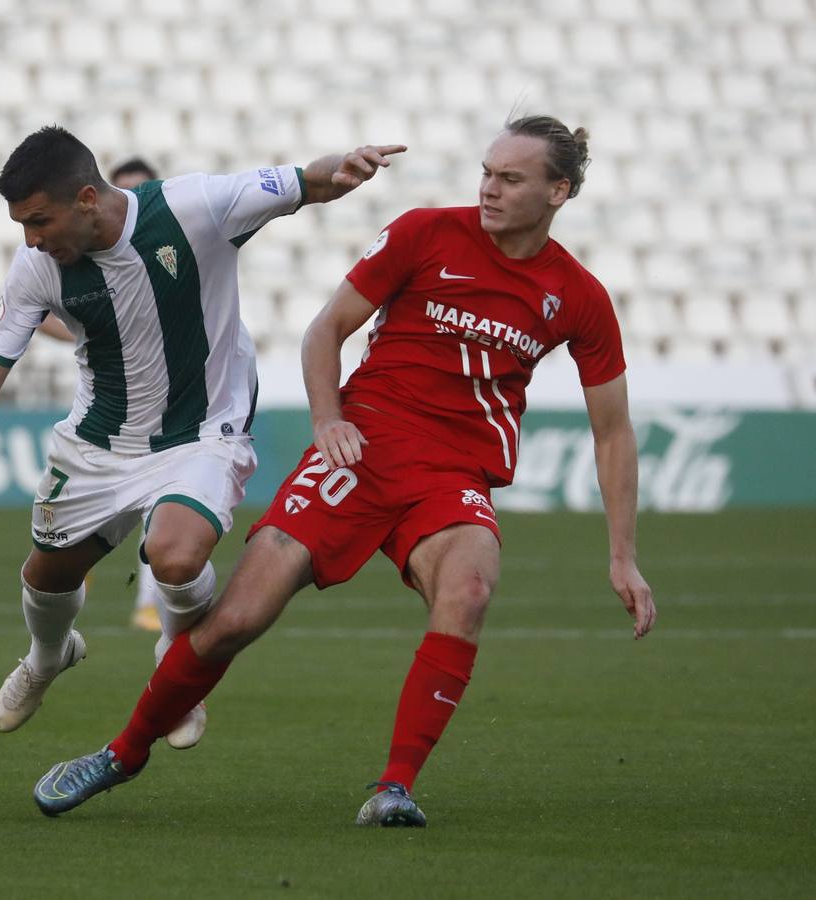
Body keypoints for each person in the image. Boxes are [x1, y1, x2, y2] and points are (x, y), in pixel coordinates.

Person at [33, 115, 658, 825]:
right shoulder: (424, 233)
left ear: (559, 190)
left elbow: (611, 432)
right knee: (236, 618)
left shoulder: (577, 295)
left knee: (470, 589)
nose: (488, 188)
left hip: (452, 475)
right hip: (360, 452)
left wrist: (622, 558)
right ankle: (121, 753)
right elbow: (325, 330)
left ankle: (393, 789)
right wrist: (328, 420)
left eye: (509, 179)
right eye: (486, 171)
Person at [0, 126, 404, 751]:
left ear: (87, 199)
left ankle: (180, 669)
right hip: (98, 441)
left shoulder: (195, 209)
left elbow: (304, 181)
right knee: (48, 575)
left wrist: (345, 167)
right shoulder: (37, 267)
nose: (30, 238)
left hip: (202, 430)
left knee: (177, 554)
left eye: (38, 220)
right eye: (21, 224)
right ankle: (47, 656)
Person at [37, 156, 164, 633]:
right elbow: (34, 316)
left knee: (162, 508)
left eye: (142, 187)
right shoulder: (74, 260)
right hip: (103, 401)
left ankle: (151, 604)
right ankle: (77, 564)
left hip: (167, 411)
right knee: (86, 494)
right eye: (125, 185)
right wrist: (85, 333)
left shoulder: (166, 245)